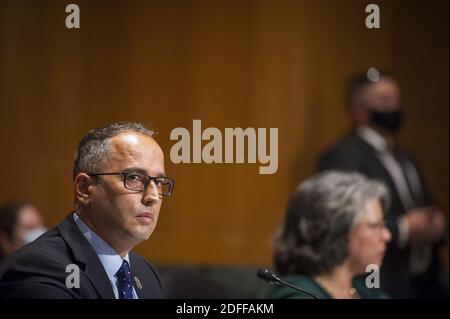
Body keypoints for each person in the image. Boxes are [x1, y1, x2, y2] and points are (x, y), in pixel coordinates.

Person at [0, 122, 174, 299]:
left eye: (158, 182)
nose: (153, 196)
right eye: (134, 178)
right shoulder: (39, 269)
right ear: (84, 188)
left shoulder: (145, 273)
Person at [318, 70, 448, 298]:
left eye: (397, 99)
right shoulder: (342, 156)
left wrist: (435, 222)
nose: (395, 107)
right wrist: (405, 228)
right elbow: (341, 222)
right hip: (380, 281)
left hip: (423, 281)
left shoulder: (403, 156)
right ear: (359, 109)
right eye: (385, 101)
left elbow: (422, 202)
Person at [268, 171, 391, 299]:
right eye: (375, 226)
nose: (387, 235)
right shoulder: (297, 294)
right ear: (339, 231)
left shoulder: (363, 290)